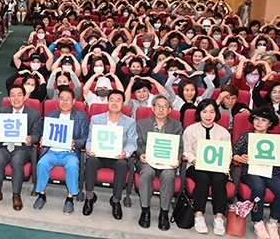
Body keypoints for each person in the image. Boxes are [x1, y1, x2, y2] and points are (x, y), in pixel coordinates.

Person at [83, 90, 138, 220]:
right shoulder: (96, 119)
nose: (114, 103)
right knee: (91, 161)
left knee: (122, 165)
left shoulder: (130, 122)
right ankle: (89, 197)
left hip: (117, 157)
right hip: (100, 155)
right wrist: (89, 149)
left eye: (118, 100)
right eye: (111, 100)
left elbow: (132, 143)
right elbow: (90, 139)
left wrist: (126, 152)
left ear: (123, 103)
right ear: (107, 102)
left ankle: (116, 200)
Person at [33, 87, 88, 214]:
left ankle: (70, 198)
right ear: (58, 100)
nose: (64, 102)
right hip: (52, 152)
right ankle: (41, 195)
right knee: (42, 164)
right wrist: (42, 139)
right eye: (61, 99)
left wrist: (75, 143)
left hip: (70, 153)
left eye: (68, 99)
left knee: (73, 165)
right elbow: (43, 134)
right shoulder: (50, 116)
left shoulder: (81, 117)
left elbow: (84, 138)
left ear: (74, 101)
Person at [0, 85, 42, 211]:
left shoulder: (34, 114)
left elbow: (36, 134)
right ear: (9, 98)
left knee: (17, 160)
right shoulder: (2, 111)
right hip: (5, 145)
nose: (16, 98)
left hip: (22, 148)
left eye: (19, 95)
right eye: (12, 95)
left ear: (25, 97)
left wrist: (31, 139)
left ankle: (16, 195)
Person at [135, 94, 183, 230]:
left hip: (167, 162)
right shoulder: (141, 124)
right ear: (153, 108)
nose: (161, 109)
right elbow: (137, 144)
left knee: (168, 175)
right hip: (147, 161)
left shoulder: (177, 125)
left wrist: (177, 160)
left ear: (169, 110)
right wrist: (140, 155)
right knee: (146, 173)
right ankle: (145, 211)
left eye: (165, 107)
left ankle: (164, 214)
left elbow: (179, 147)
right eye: (158, 106)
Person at [183, 99, 231, 235]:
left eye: (212, 112)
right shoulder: (190, 130)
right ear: (199, 113)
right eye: (204, 112)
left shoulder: (223, 133)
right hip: (196, 166)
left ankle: (219, 217)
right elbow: (186, 150)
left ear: (216, 113)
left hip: (216, 167)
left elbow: (228, 153)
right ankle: (198, 215)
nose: (208, 115)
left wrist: (225, 166)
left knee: (219, 180)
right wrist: (194, 160)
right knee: (203, 179)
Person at [232, 106, 280, 239]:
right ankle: (257, 221)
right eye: (256, 119)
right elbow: (233, 153)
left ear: (270, 123)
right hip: (251, 172)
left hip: (271, 172)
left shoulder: (275, 140)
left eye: (263, 120)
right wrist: (239, 158)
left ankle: (273, 221)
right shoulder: (246, 136)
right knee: (259, 188)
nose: (258, 122)